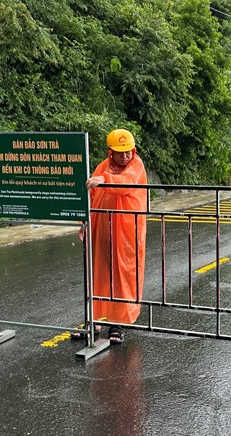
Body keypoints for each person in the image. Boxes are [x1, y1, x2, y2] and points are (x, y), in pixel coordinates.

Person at [75, 128, 148, 344]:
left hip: (126, 234)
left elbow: (126, 183)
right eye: (120, 152)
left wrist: (104, 180)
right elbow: (90, 195)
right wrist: (84, 223)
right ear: (110, 152)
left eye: (128, 152)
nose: (125, 156)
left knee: (122, 277)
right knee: (97, 273)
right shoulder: (102, 167)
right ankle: (92, 321)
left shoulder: (136, 166)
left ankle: (117, 324)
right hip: (101, 229)